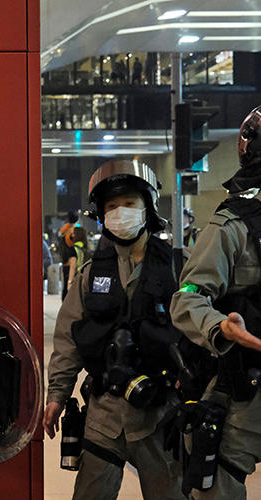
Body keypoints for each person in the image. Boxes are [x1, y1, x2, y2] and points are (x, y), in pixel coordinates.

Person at [44, 159, 185, 500]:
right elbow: (67, 340)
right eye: (111, 206)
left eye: (129, 204)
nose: (120, 212)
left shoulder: (179, 269)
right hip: (103, 417)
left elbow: (199, 328)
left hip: (160, 415)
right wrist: (57, 396)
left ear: (147, 208)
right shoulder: (91, 275)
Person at [170, 105, 261, 499]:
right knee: (216, 482)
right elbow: (187, 298)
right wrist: (220, 328)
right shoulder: (232, 225)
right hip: (249, 382)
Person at [65, 226, 88, 292]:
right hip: (86, 275)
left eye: (73, 233)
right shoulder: (86, 247)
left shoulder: (73, 248)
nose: (72, 235)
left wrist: (69, 282)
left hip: (77, 276)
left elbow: (73, 265)